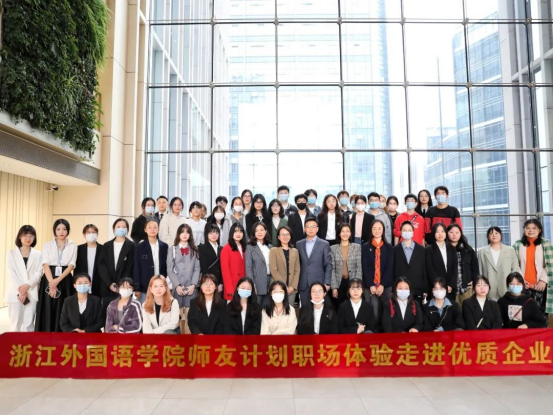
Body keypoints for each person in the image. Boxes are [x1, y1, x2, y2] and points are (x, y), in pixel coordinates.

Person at [35, 219, 78, 332]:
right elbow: (45, 264)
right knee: (48, 306)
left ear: (68, 231)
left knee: (63, 307)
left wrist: (57, 280)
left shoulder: (73, 245)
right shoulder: (47, 245)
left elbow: (71, 265)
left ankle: (62, 334)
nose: (61, 232)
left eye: (64, 229)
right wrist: (52, 283)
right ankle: (47, 333)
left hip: (65, 278)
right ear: (54, 230)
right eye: (58, 229)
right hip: (49, 277)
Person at [512, 219, 553, 313]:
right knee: (522, 314)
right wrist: (520, 280)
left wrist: (543, 280)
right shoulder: (518, 244)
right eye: (528, 228)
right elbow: (514, 264)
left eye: (534, 228)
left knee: (540, 315)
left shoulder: (545, 244)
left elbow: (550, 264)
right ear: (524, 230)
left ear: (539, 230)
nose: (530, 230)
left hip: (539, 286)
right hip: (523, 285)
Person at [6, 225, 42, 332]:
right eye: (25, 235)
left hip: (32, 291)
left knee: (29, 323)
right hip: (15, 292)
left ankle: (28, 342)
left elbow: (39, 272)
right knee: (15, 322)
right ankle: (14, 342)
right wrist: (22, 291)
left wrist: (27, 286)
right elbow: (11, 273)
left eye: (31, 236)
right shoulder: (12, 253)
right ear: (20, 237)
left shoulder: (38, 254)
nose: (28, 238)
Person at [98, 218, 135, 318]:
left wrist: (122, 284)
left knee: (124, 316)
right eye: (118, 227)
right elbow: (102, 266)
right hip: (108, 287)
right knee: (108, 316)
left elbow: (131, 266)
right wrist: (110, 283)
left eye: (124, 227)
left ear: (127, 229)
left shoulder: (132, 246)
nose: (121, 229)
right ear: (114, 229)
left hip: (125, 287)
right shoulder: (106, 246)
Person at [167, 223, 200, 334]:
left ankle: (189, 342)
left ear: (190, 235)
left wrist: (193, 285)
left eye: (187, 232)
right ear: (178, 234)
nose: (185, 234)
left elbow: (197, 269)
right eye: (182, 232)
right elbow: (170, 269)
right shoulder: (172, 249)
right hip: (177, 288)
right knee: (177, 316)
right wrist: (177, 286)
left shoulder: (194, 250)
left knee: (190, 317)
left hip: (191, 287)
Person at [361, 219, 393, 329]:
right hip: (370, 286)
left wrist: (382, 284)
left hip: (385, 285)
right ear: (371, 230)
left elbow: (389, 267)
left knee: (386, 312)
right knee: (372, 312)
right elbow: (365, 267)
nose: (377, 231)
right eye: (374, 228)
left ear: (383, 230)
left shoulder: (389, 247)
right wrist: (371, 284)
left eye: (379, 228)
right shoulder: (365, 247)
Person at [297, 217, 332, 307]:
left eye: (313, 227)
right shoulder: (299, 244)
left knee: (318, 308)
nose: (311, 229)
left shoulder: (324, 244)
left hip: (319, 283)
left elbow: (328, 264)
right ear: (304, 229)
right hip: (303, 283)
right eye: (308, 227)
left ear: (317, 229)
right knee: (304, 308)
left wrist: (327, 282)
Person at [478, 226, 520, 301]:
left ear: (501, 235)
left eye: (496, 233)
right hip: (489, 287)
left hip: (506, 286)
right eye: (491, 233)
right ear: (488, 237)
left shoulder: (510, 250)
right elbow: (480, 270)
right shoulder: (482, 251)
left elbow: (515, 268)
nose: (494, 235)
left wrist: (514, 284)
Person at [392, 221, 429, 305]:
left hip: (417, 289)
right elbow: (392, 270)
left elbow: (424, 271)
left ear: (413, 232)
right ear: (401, 232)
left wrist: (425, 290)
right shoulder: (394, 250)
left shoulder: (421, 250)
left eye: (409, 230)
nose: (407, 232)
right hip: (400, 290)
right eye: (404, 230)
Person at [133, 219, 168, 305]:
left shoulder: (164, 246)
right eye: (149, 227)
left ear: (158, 229)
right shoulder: (139, 247)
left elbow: (167, 266)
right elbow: (136, 267)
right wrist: (137, 288)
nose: (152, 229)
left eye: (155, 227)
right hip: (145, 286)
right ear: (145, 230)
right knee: (145, 309)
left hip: (161, 286)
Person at [330, 224, 362, 309]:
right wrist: (334, 287)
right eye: (342, 231)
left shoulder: (357, 247)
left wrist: (357, 285)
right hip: (339, 282)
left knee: (352, 307)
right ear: (339, 233)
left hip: (352, 281)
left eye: (347, 231)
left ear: (350, 233)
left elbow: (359, 267)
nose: (345, 233)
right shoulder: (333, 248)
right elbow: (332, 269)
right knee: (338, 308)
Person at [447, 223, 479, 307]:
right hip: (450, 289)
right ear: (447, 233)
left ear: (461, 234)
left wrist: (474, 281)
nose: (454, 235)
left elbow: (475, 268)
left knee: (467, 310)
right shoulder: (444, 249)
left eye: (457, 232)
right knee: (452, 312)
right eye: (451, 232)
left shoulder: (468, 249)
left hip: (466, 288)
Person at [425, 223, 457, 302]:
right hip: (436, 288)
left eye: (442, 231)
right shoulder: (429, 249)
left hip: (450, 288)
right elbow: (430, 269)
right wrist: (438, 286)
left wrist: (451, 285)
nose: (440, 234)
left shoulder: (452, 248)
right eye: (437, 231)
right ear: (434, 233)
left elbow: (455, 268)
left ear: (446, 233)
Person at [269, 225, 300, 306]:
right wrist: (283, 286)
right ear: (278, 237)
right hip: (278, 288)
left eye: (287, 234)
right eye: (283, 234)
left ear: (290, 236)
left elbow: (297, 270)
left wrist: (292, 286)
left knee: (290, 310)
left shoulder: (295, 251)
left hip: (292, 289)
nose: (285, 237)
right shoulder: (273, 250)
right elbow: (273, 270)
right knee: (277, 309)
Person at [245, 222, 273, 305]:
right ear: (254, 233)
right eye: (256, 231)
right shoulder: (250, 247)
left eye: (261, 230)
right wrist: (252, 285)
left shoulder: (270, 247)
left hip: (270, 281)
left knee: (268, 307)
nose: (259, 232)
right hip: (257, 281)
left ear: (266, 231)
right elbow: (248, 267)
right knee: (256, 307)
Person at [75, 224, 103, 298]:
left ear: (97, 234)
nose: (91, 234)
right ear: (84, 235)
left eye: (94, 232)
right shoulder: (78, 249)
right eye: (88, 232)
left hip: (99, 284)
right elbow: (76, 268)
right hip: (82, 284)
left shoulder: (103, 249)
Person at [221, 223, 247, 301]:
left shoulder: (245, 247)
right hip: (232, 287)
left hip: (244, 286)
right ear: (231, 233)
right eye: (235, 231)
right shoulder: (226, 249)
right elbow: (225, 271)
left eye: (240, 231)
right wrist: (230, 289)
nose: (238, 234)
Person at [198, 224, 223, 293]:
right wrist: (209, 283)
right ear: (207, 234)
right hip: (208, 283)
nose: (214, 235)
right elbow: (204, 268)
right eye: (211, 233)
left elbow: (223, 268)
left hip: (219, 283)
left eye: (216, 233)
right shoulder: (202, 248)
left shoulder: (222, 249)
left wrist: (221, 283)